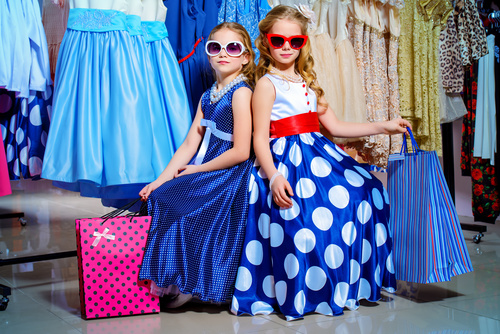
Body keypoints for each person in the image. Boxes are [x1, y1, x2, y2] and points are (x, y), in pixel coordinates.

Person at [230, 5, 411, 321]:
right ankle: (305, 287)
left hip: (319, 154)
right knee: (301, 221)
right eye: (278, 40)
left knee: (368, 190)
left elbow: (338, 128)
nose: (287, 47)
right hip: (284, 160)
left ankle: (348, 281)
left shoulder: (309, 83)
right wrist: (272, 177)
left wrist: (384, 125)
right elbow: (259, 138)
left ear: (303, 43)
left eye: (295, 41)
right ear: (266, 42)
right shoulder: (266, 84)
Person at [138, 22, 256, 308]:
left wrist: (196, 170)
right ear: (207, 53)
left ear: (246, 56)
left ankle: (193, 280)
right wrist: (159, 181)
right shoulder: (208, 95)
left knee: (185, 210)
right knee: (163, 197)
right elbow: (190, 144)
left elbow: (241, 151)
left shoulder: (241, 93)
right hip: (206, 168)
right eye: (215, 47)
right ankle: (173, 277)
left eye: (233, 48)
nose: (223, 54)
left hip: (229, 173)